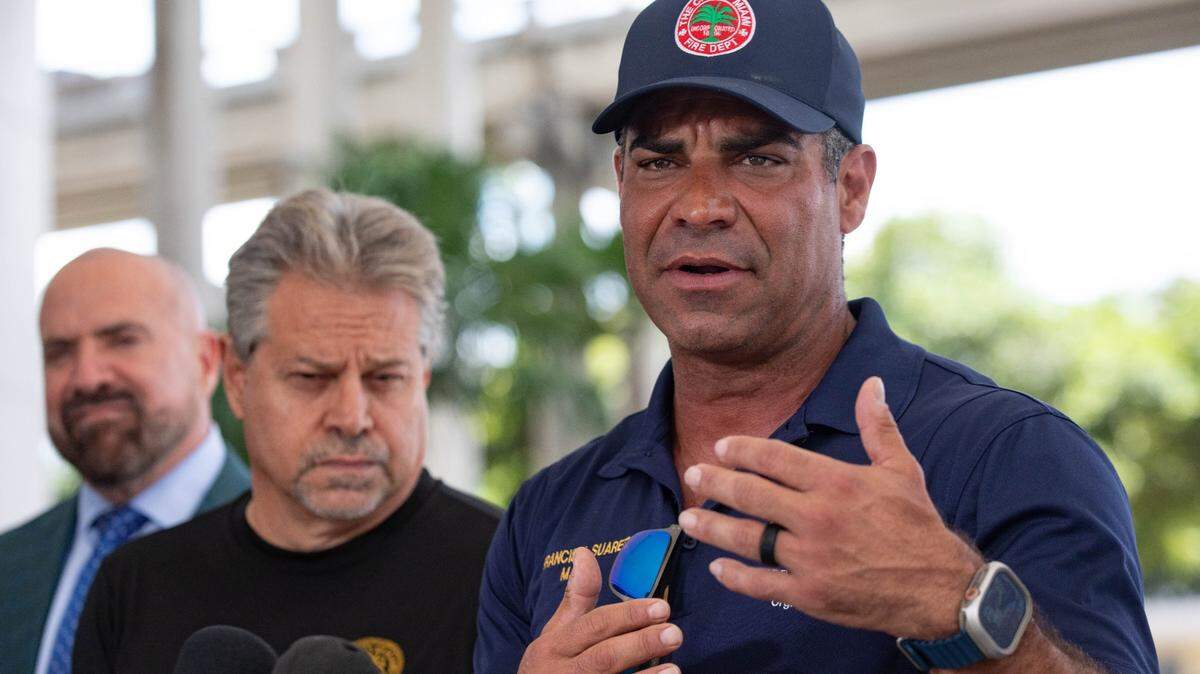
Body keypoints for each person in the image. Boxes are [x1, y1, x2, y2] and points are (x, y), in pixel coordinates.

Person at [475, 1, 1158, 672]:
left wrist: (956, 610)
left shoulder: (1007, 456)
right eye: (661, 162)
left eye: (759, 160)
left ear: (851, 189)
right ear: (622, 185)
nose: (700, 205)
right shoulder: (547, 510)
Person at [70, 189, 501, 674]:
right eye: (311, 377)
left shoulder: (510, 570)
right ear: (237, 378)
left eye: (384, 378)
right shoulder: (135, 588)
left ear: (421, 377)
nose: (352, 416)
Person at [0, 249, 250, 674]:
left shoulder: (293, 551)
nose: (87, 377)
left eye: (123, 340)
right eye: (60, 352)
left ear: (206, 361)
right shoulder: (10, 565)